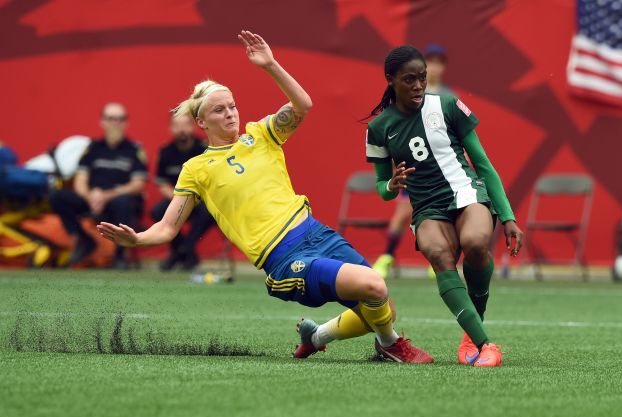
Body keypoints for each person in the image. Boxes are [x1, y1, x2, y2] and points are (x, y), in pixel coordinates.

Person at [97, 31, 432, 363]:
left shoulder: (261, 134)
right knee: (374, 286)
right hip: (284, 259)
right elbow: (168, 227)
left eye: (232, 106)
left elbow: (303, 105)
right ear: (200, 121)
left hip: (316, 232)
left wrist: (270, 64)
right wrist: (138, 239)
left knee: (383, 307)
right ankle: (391, 345)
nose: (229, 113)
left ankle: (316, 337)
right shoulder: (197, 169)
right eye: (218, 111)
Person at [365, 46, 524, 367]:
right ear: (390, 80)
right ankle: (485, 344)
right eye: (409, 79)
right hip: (426, 208)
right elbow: (382, 188)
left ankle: (472, 329)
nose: (418, 86)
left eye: (422, 78)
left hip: (466, 193)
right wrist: (391, 184)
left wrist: (507, 216)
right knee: (439, 255)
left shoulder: (448, 105)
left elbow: (483, 164)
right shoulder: (379, 128)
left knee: (476, 243)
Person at [371, 43, 454, 278]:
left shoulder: (447, 97)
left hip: (442, 167)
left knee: (445, 213)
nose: (435, 68)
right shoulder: (409, 93)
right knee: (403, 211)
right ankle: (386, 257)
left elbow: (456, 135)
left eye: (440, 63)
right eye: (431, 62)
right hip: (415, 165)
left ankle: (439, 257)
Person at [50, 102, 147, 268]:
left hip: (119, 201)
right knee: (58, 196)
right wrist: (90, 197)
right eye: (111, 118)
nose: (115, 123)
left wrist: (106, 196)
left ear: (126, 123)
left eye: (120, 119)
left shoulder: (134, 150)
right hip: (92, 200)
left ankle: (120, 255)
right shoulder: (92, 148)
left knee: (124, 201)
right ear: (102, 122)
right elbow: (81, 180)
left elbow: (138, 184)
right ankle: (83, 240)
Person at [152, 114, 213, 271]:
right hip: (176, 199)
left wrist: (192, 198)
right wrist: (179, 199)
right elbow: (162, 183)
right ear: (171, 128)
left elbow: (211, 181)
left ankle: (182, 250)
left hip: (201, 200)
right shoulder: (165, 151)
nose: (182, 130)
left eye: (185, 125)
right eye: (177, 125)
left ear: (192, 126)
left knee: (209, 213)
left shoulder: (205, 149)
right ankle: (185, 252)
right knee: (157, 211)